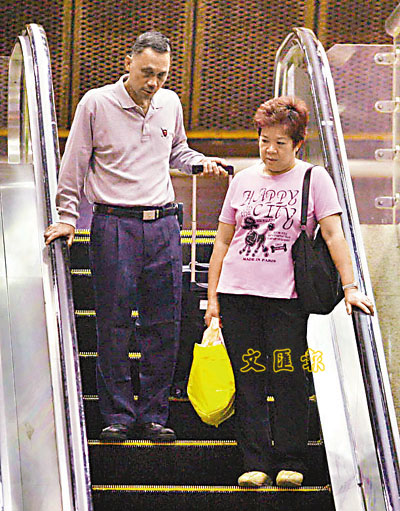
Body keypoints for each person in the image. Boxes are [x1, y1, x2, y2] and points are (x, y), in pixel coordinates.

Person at [44, 31, 227, 442]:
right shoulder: (96, 103)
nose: (153, 83)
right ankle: (118, 415)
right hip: (114, 224)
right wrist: (68, 217)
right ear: (128, 63)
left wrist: (199, 162)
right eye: (147, 73)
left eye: (161, 75)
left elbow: (177, 151)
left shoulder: (170, 103)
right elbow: (74, 164)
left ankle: (154, 415)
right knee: (113, 324)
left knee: (163, 325)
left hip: (163, 224)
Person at [204, 96, 374, 488]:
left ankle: (291, 460)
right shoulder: (243, 180)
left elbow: (334, 235)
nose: (269, 149)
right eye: (264, 140)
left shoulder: (315, 179)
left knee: (288, 377)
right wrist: (213, 299)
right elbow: (223, 242)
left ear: (297, 143)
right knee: (248, 380)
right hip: (237, 295)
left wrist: (350, 287)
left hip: (286, 299)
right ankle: (254, 462)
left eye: (280, 142)